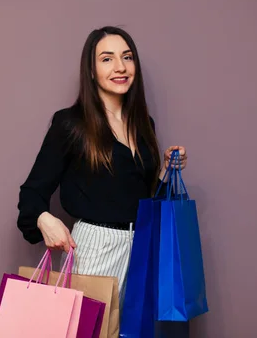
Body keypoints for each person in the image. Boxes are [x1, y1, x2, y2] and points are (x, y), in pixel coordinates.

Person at [16, 26, 187, 295]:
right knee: (87, 332)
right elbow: (31, 193)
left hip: (141, 246)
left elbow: (142, 197)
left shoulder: (144, 125)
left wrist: (166, 170)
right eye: (107, 59)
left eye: (127, 57)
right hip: (96, 247)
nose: (120, 66)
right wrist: (43, 218)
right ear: (92, 72)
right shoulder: (71, 124)